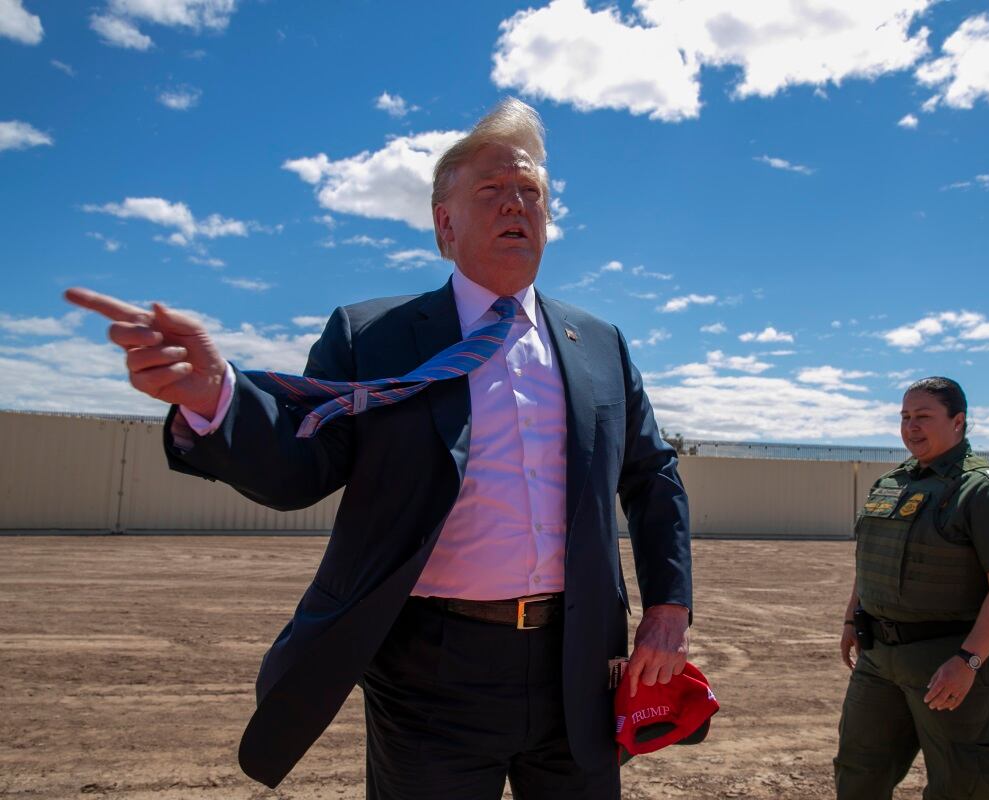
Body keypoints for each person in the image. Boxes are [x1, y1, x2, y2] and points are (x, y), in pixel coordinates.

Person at [65, 97, 692, 799]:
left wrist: (669, 608)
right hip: (431, 672)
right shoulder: (373, 337)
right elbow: (301, 467)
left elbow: (652, 474)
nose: (517, 204)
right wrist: (217, 397)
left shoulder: (599, 344)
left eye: (531, 193)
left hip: (579, 660)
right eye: (492, 190)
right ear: (444, 222)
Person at [834, 377, 989, 800]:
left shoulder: (984, 492)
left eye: (923, 417)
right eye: (905, 417)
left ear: (958, 421)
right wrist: (854, 616)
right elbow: (869, 557)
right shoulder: (893, 484)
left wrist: (969, 660)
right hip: (881, 658)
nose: (911, 427)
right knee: (859, 773)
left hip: (951, 660)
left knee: (961, 784)